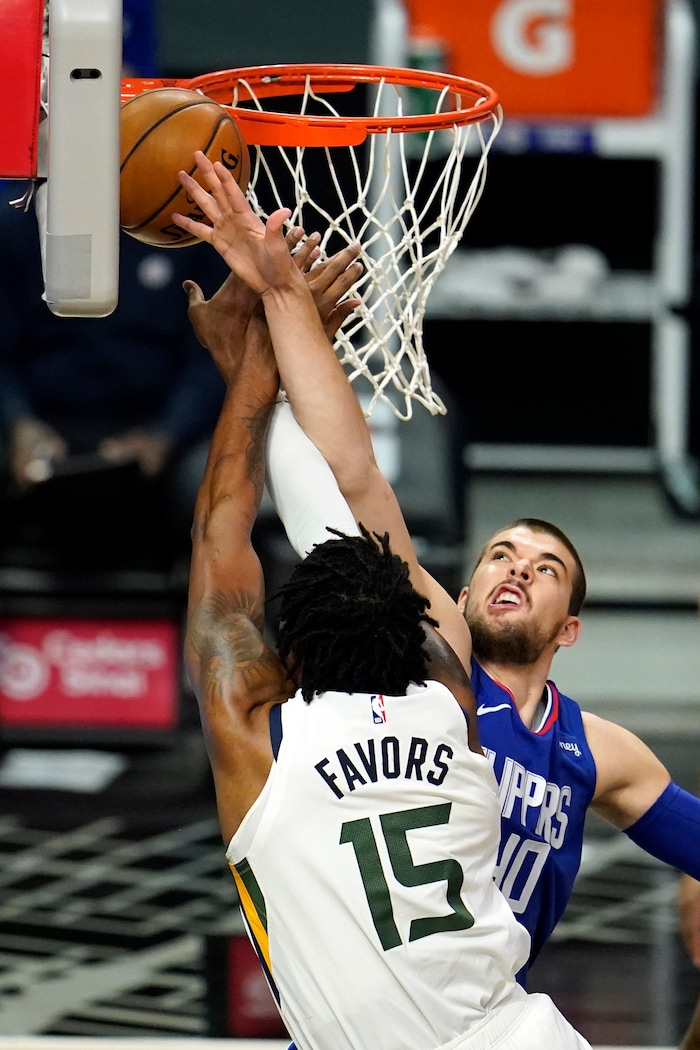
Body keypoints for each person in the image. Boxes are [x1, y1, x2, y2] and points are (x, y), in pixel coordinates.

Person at [181, 176, 700, 998]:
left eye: (546, 568)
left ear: (569, 628)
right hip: (374, 1004)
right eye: (500, 554)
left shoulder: (601, 752)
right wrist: (278, 314)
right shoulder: (428, 675)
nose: (518, 567)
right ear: (452, 598)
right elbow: (351, 476)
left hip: (486, 1012)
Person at [0, 183, 228, 571]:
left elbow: (212, 357)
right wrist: (17, 422)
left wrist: (165, 434)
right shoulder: (13, 226)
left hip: (154, 432)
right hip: (39, 428)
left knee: (219, 489)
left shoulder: (190, 231)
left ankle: (209, 609)